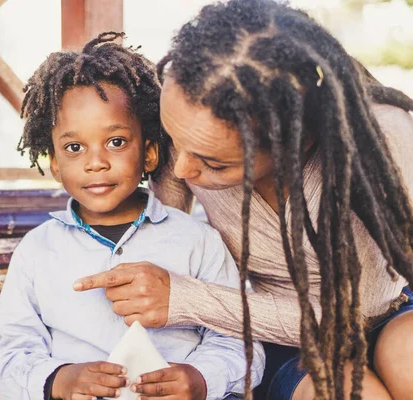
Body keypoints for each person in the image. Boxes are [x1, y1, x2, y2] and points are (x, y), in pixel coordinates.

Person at [72, 2, 413, 400]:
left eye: (214, 163)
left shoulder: (378, 138)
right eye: (173, 140)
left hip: (386, 309)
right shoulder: (185, 129)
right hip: (279, 340)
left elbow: (358, 312)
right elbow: (165, 242)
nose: (181, 169)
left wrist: (188, 299)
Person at [0, 32, 265, 400]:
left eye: (116, 142)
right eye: (74, 148)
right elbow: (11, 353)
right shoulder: (38, 250)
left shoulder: (196, 241)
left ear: (149, 154)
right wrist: (59, 379)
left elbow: (239, 340)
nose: (96, 162)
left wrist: (199, 378)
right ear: (55, 165)